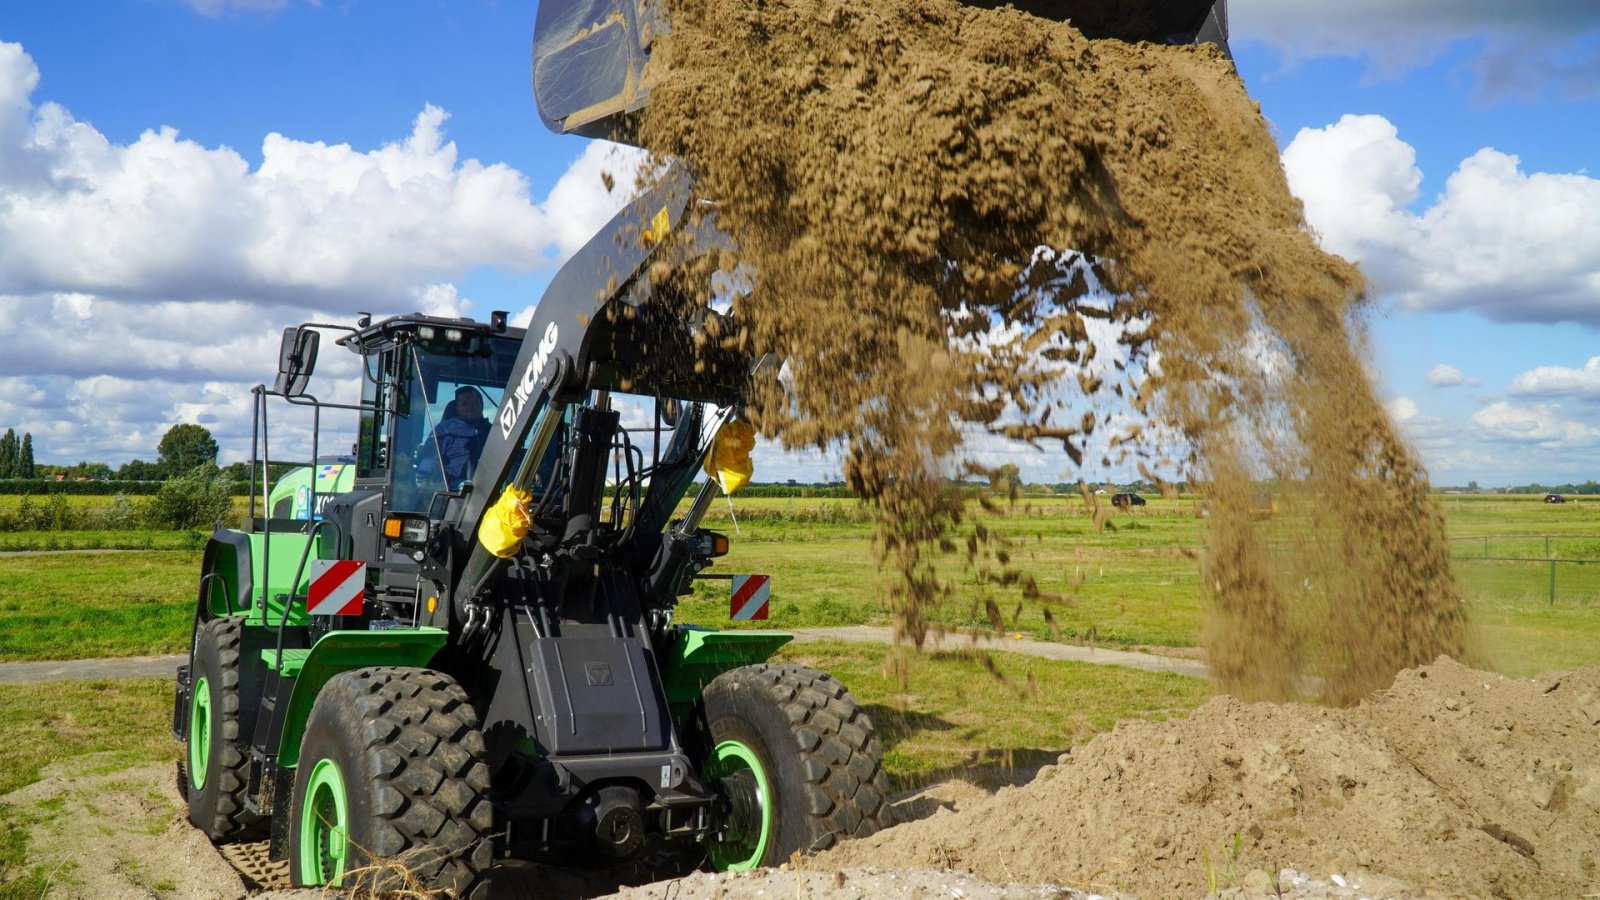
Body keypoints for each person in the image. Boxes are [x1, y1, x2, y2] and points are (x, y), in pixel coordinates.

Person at [431, 386, 491, 490]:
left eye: (476, 403)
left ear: (482, 406)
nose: (471, 407)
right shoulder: (443, 432)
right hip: (452, 492)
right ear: (457, 407)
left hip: (491, 488)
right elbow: (427, 462)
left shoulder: (494, 432)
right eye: (465, 404)